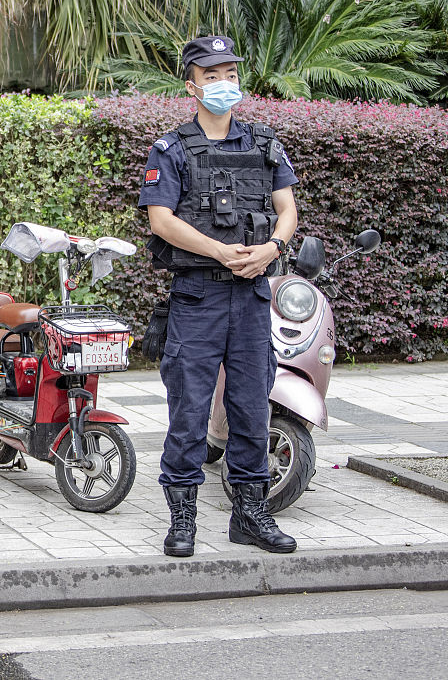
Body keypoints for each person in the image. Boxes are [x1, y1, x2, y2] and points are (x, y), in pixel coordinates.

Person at [139, 35, 299, 558]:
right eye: (211, 76)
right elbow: (160, 220)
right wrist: (220, 251)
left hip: (251, 297)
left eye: (230, 73)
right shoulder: (171, 149)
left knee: (252, 407)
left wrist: (271, 248)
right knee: (188, 411)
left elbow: (287, 209)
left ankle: (250, 516)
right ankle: (182, 519)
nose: (224, 84)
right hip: (197, 298)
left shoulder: (266, 143)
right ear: (192, 85)